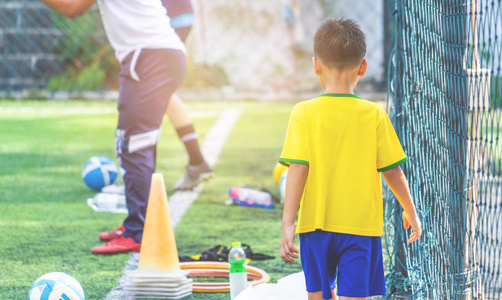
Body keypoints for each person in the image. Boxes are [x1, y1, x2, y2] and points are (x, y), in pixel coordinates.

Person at [279, 18, 422, 300]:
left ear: (316, 64)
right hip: (361, 229)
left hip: (315, 228)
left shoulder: (303, 112)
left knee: (319, 296)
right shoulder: (374, 113)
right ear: (363, 66)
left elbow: (298, 168)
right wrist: (411, 211)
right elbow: (393, 172)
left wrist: (288, 222)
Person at [40, 0, 187, 254]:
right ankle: (139, 223)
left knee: (134, 146)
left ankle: (138, 231)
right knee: (133, 144)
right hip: (152, 56)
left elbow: (72, 8)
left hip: (150, 57)